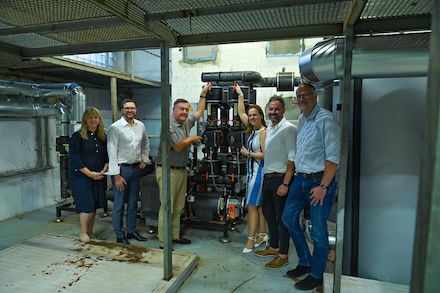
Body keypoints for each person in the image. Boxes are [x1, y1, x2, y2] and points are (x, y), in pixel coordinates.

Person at [282, 83, 341, 291]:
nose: (302, 98)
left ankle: (316, 274)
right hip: (301, 179)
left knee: (318, 230)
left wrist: (323, 186)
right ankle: (305, 261)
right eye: (299, 96)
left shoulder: (326, 120)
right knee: (288, 219)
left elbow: (333, 159)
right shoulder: (302, 119)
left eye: (306, 95)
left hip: (319, 182)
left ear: (315, 96)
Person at [155, 82, 211, 249]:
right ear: (174, 110)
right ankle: (164, 242)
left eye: (187, 110)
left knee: (178, 206)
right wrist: (192, 139)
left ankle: (174, 236)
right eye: (182, 109)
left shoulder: (187, 121)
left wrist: (203, 94)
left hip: (180, 170)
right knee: (167, 206)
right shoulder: (167, 125)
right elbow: (179, 146)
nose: (185, 112)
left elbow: (199, 112)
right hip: (167, 171)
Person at [254, 95, 297, 270]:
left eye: (276, 109)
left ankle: (283, 255)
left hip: (281, 179)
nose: (273, 112)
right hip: (268, 177)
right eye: (270, 109)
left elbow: (292, 160)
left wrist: (285, 184)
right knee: (269, 214)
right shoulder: (270, 129)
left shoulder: (289, 129)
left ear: (283, 110)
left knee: (282, 219)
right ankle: (273, 247)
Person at [107, 99, 151, 244]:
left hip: (135, 169)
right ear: (122, 110)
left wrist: (144, 159)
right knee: (119, 204)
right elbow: (111, 152)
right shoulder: (115, 127)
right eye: (126, 108)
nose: (129, 110)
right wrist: (116, 175)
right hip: (121, 170)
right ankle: (120, 235)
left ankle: (131, 231)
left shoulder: (140, 126)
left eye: (132, 108)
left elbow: (145, 143)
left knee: (133, 203)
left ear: (136, 109)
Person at [235, 83, 269, 253]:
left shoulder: (263, 132)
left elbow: (265, 154)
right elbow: (241, 112)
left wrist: (248, 154)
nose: (252, 117)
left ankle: (251, 239)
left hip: (259, 174)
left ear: (261, 116)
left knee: (252, 206)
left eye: (255, 115)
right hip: (252, 174)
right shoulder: (253, 130)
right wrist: (240, 95)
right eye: (250, 115)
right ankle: (263, 235)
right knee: (259, 206)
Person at [68, 107, 108, 243]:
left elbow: (106, 156)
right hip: (82, 177)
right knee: (87, 205)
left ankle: (90, 232)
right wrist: (90, 174)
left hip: (98, 175)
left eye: (96, 117)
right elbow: (75, 158)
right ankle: (83, 232)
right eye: (90, 117)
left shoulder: (102, 136)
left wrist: (104, 169)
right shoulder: (77, 137)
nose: (93, 120)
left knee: (95, 203)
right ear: (85, 120)